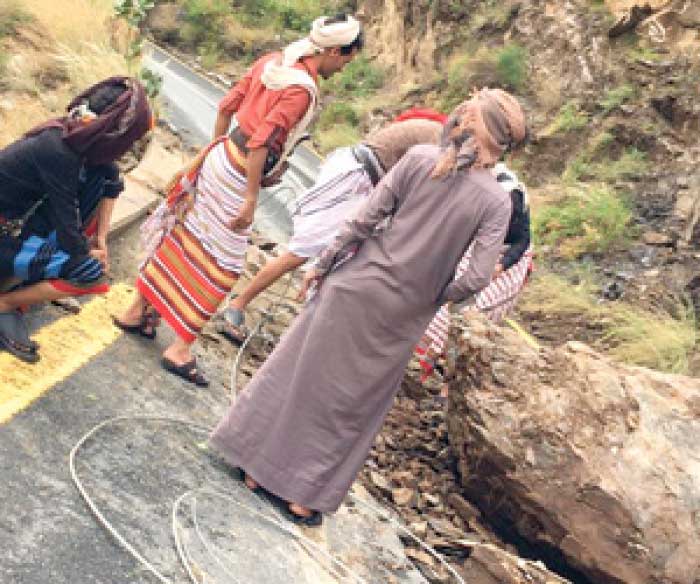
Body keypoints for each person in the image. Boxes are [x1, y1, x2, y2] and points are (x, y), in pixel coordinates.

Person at [210, 88, 528, 525]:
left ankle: (253, 466)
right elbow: (475, 278)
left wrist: (321, 265)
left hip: (355, 285)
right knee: (350, 405)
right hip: (403, 314)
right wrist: (436, 293)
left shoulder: (419, 158)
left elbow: (362, 220)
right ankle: (303, 496)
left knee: (298, 373)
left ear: (467, 121)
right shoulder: (497, 201)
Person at [114, 14, 363, 387]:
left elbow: (227, 106)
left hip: (221, 157)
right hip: (238, 174)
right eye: (345, 59)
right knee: (224, 264)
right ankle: (180, 349)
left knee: (186, 238)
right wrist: (250, 196)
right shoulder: (301, 89)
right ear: (331, 50)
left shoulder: (272, 61)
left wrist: (217, 149)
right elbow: (262, 142)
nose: (343, 68)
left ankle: (137, 311)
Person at [220, 113, 445, 343]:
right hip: (358, 177)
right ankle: (238, 304)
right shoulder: (439, 143)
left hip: (362, 174)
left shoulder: (436, 132)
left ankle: (305, 331)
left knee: (341, 259)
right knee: (300, 253)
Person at [0, 77, 152, 362]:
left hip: (14, 225)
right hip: (5, 234)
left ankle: (21, 288)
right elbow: (69, 231)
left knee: (100, 179)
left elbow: (112, 182)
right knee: (89, 275)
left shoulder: (72, 134)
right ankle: (6, 304)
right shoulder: (59, 153)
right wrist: (90, 257)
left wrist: (101, 241)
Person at [416, 162, 533, 385]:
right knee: (440, 303)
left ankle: (456, 372)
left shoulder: (512, 199)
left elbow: (522, 239)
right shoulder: (465, 194)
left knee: (474, 310)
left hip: (506, 254)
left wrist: (502, 264)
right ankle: (433, 360)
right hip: (474, 243)